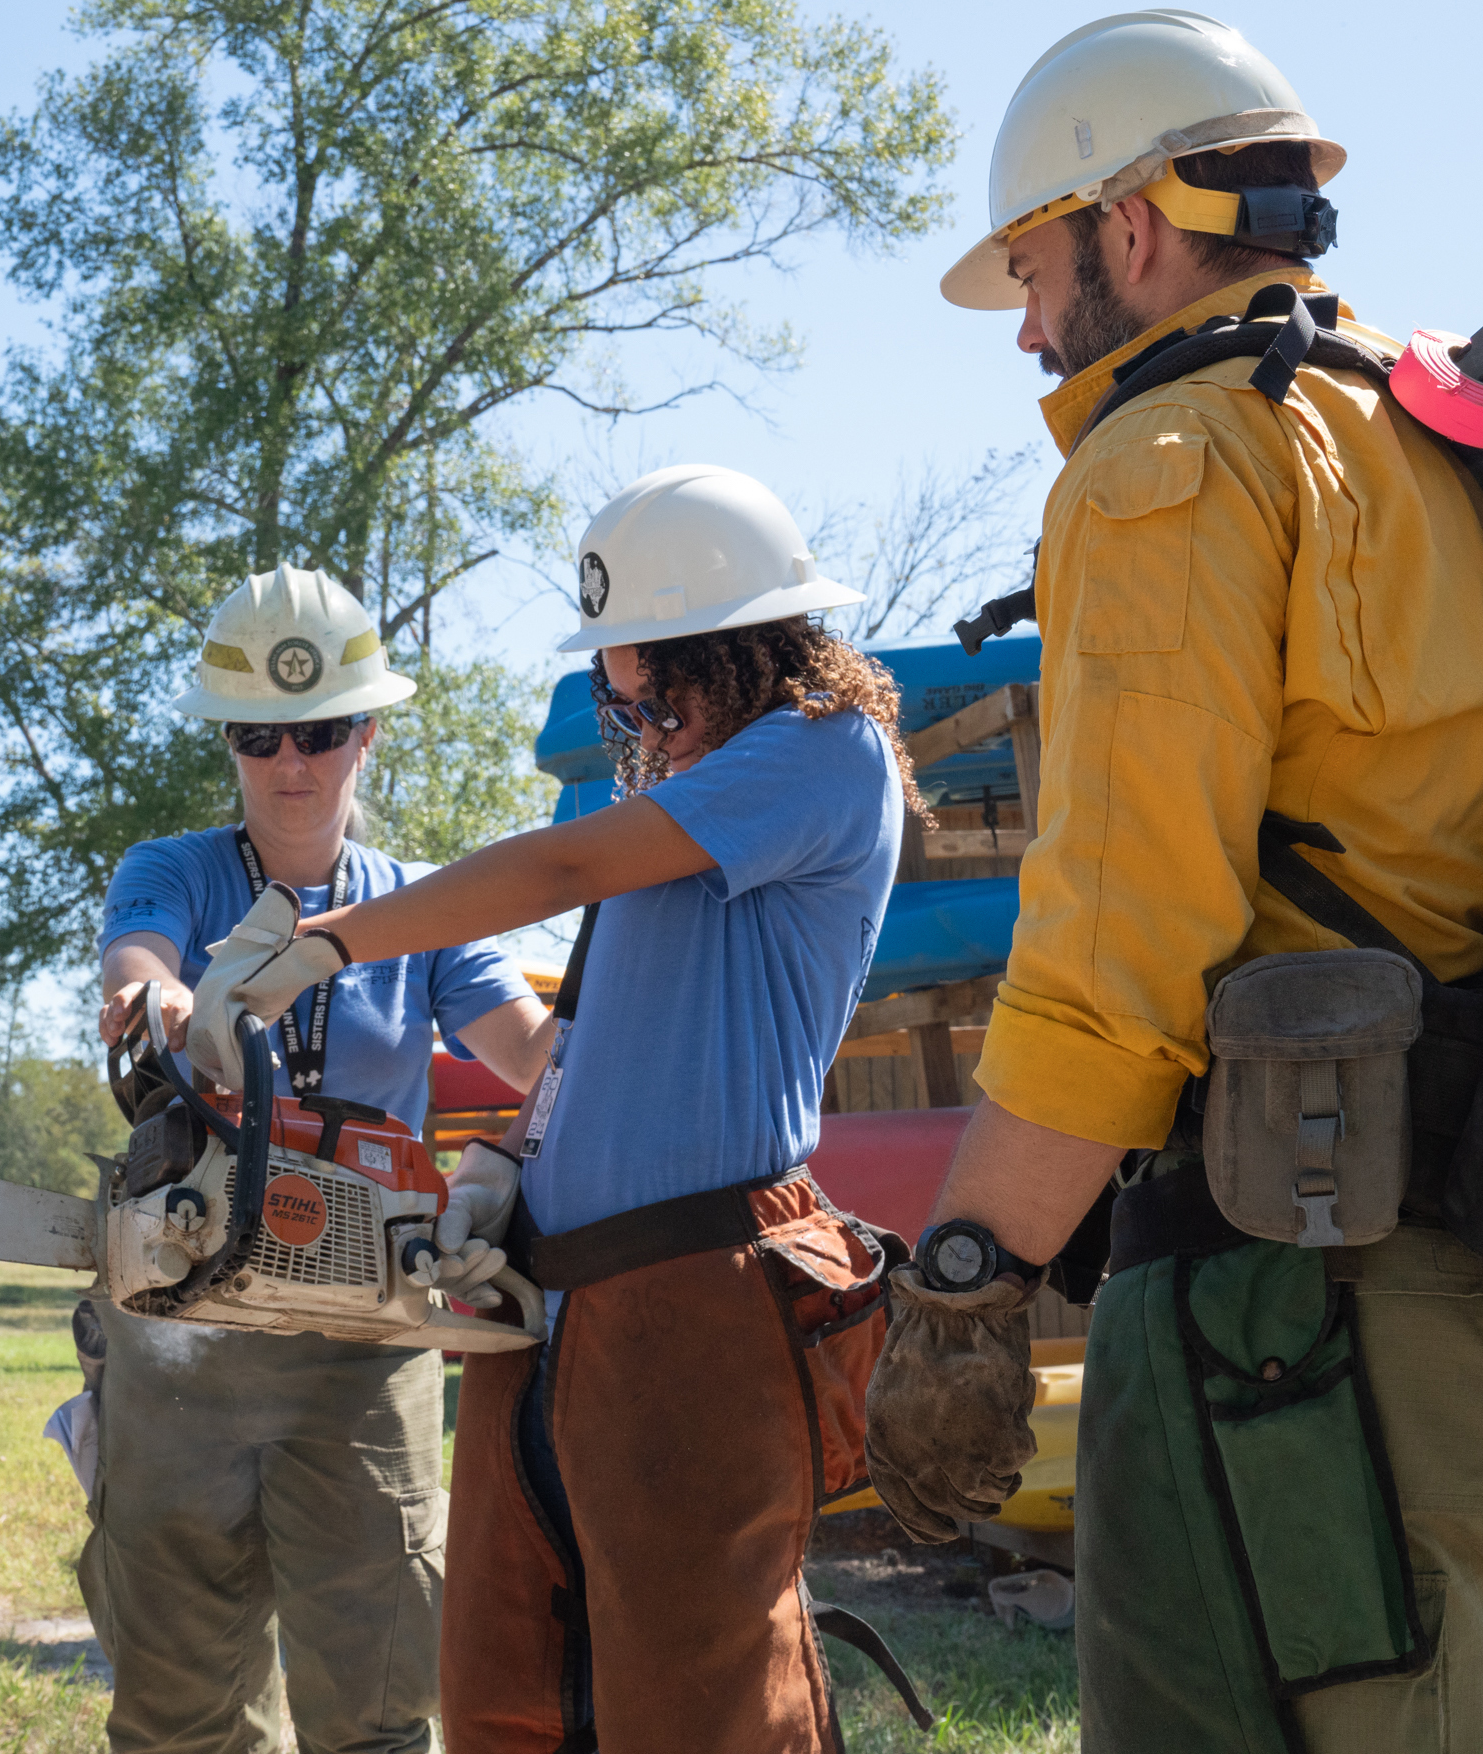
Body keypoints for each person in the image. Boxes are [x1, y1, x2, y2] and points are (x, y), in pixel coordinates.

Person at [862, 13, 1483, 1754]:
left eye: (1036, 271)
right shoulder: (1423, 438)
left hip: (1276, 1309)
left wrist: (972, 1269)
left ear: (1127, 226)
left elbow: (1118, 946)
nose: (1033, 331)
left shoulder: (1168, 460)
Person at [185, 464, 918, 1752]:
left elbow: (559, 860)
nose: (622, 700)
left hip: (695, 1285)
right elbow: (581, 1038)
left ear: (714, 642)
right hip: (564, 1301)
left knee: (693, 1708)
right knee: (511, 1696)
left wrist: (328, 941)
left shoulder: (818, 749)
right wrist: (501, 1167)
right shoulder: (681, 804)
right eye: (611, 678)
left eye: (634, 670)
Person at [86, 562, 551, 1754]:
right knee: (176, 1710)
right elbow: (136, 969)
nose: (292, 763)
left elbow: (534, 1056)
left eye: (321, 731)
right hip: (181, 1336)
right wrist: (170, 1009)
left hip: (362, 1348)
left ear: (368, 733)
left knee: (381, 1710)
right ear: (226, 743)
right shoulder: (174, 870)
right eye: (259, 736)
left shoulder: (423, 905)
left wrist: (623, 1029)